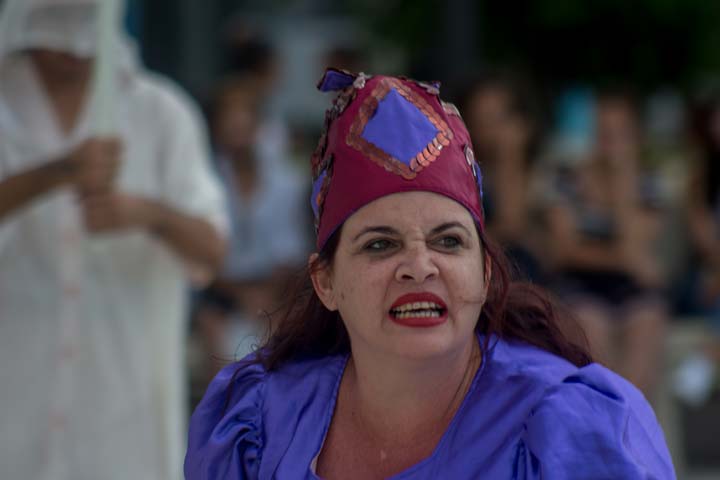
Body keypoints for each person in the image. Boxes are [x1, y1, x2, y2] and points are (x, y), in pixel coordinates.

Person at [185, 70, 675, 479]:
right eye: (380, 244)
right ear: (326, 282)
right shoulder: (261, 420)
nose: (419, 266)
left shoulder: (565, 427)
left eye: (448, 241)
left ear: (484, 273)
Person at [0, 1, 227, 478]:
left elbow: (213, 248)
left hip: (123, 429)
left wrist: (145, 213)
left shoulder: (163, 113)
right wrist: (58, 172)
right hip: (13, 421)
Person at [544, 89, 669, 397]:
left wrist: (622, 185)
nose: (610, 141)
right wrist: (630, 261)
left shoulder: (648, 183)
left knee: (647, 323)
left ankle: (625, 426)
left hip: (631, 289)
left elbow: (631, 250)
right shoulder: (566, 178)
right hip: (580, 286)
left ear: (636, 136)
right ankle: (614, 424)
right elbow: (563, 252)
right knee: (591, 323)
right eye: (603, 131)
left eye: (619, 133)